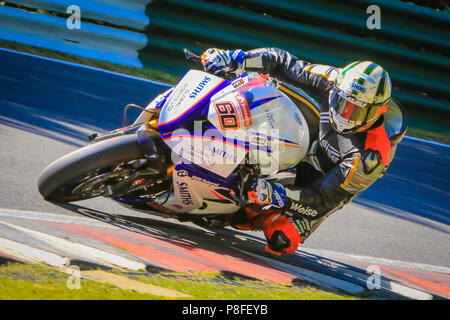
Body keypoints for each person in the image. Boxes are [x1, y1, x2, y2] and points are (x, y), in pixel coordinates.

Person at [201, 47, 401, 255]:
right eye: (341, 102)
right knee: (264, 87)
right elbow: (283, 63)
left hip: (318, 181)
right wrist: (236, 58)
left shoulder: (372, 156)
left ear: (378, 111)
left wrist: (275, 194)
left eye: (356, 110)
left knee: (282, 239)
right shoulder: (334, 80)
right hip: (309, 136)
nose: (345, 113)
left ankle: (235, 210)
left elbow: (323, 199)